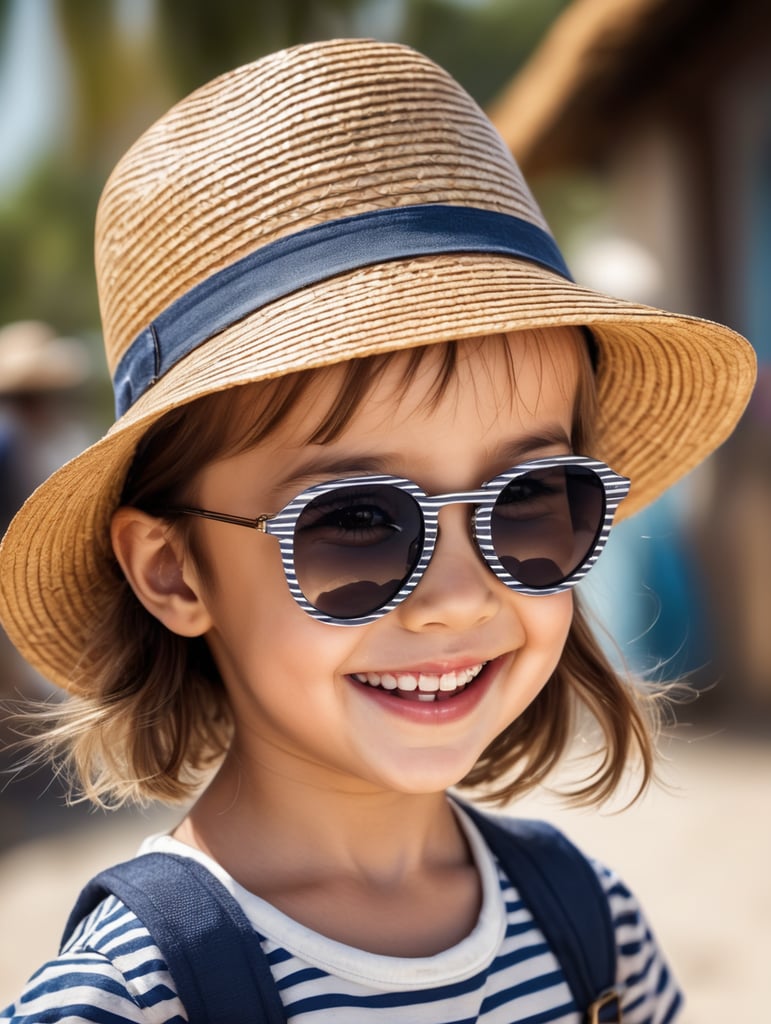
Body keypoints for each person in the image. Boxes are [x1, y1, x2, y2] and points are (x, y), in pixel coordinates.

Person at [0, 38, 755, 1024]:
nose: (456, 598)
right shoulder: (135, 998)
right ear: (175, 571)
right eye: (356, 522)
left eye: (530, 500)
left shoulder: (593, 931)